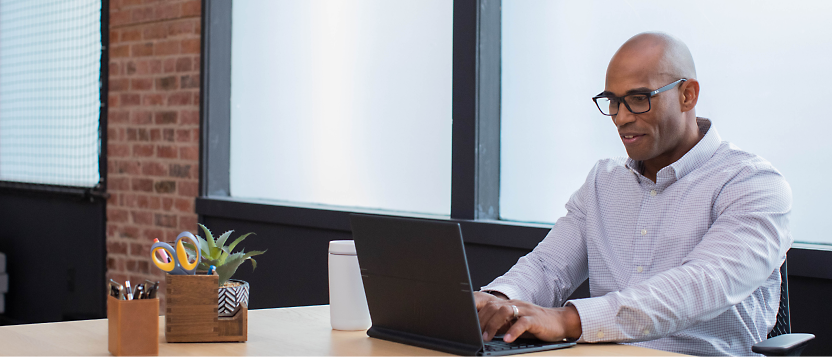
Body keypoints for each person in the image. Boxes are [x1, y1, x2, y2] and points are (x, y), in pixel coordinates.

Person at [475, 32, 792, 357]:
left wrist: (569, 320)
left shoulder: (753, 184)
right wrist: (498, 302)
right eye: (613, 101)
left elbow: (703, 284)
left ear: (687, 95)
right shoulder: (603, 181)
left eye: (639, 99)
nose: (621, 117)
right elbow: (548, 267)